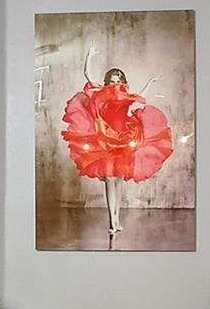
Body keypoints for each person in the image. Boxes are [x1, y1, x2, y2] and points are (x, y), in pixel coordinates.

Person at [60, 48, 175, 238]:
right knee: (109, 179)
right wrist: (89, 55)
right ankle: (111, 221)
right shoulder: (102, 92)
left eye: (118, 81)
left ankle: (117, 219)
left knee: (119, 180)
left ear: (123, 82)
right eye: (112, 81)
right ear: (107, 82)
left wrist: (150, 82)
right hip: (106, 139)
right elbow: (87, 74)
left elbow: (140, 97)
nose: (115, 84)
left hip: (124, 138)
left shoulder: (126, 96)